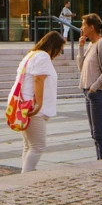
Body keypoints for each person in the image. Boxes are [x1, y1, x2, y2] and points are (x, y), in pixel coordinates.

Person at [15, 31, 65, 173]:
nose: (59, 54)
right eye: (60, 50)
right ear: (53, 46)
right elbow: (38, 79)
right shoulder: (43, 56)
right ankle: (26, 178)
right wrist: (39, 104)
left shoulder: (31, 55)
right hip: (33, 107)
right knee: (38, 146)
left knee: (29, 145)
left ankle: (25, 175)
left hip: (24, 104)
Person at [78, 13, 102, 160]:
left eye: (84, 25)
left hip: (97, 93)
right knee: (94, 134)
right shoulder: (91, 45)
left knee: (99, 134)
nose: (81, 27)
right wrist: (80, 48)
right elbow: (82, 68)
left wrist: (94, 87)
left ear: (91, 28)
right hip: (88, 92)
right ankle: (100, 163)